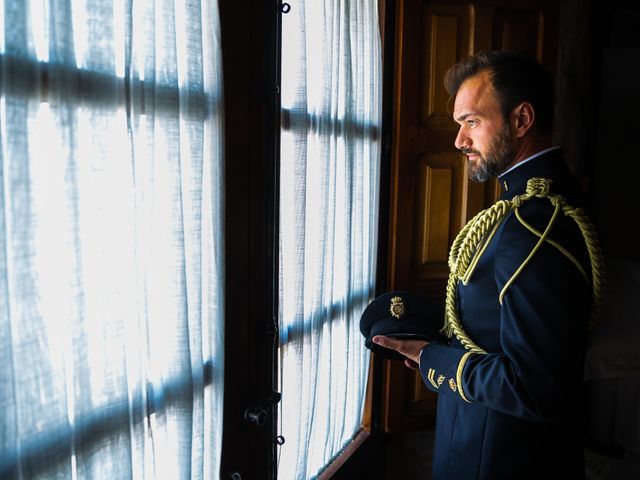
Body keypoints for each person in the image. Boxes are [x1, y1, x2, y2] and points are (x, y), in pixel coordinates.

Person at [373, 50, 603, 479]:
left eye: (471, 122)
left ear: (521, 120)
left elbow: (535, 387)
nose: (459, 141)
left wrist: (431, 360)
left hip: (500, 458)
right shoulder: (534, 203)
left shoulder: (535, 224)